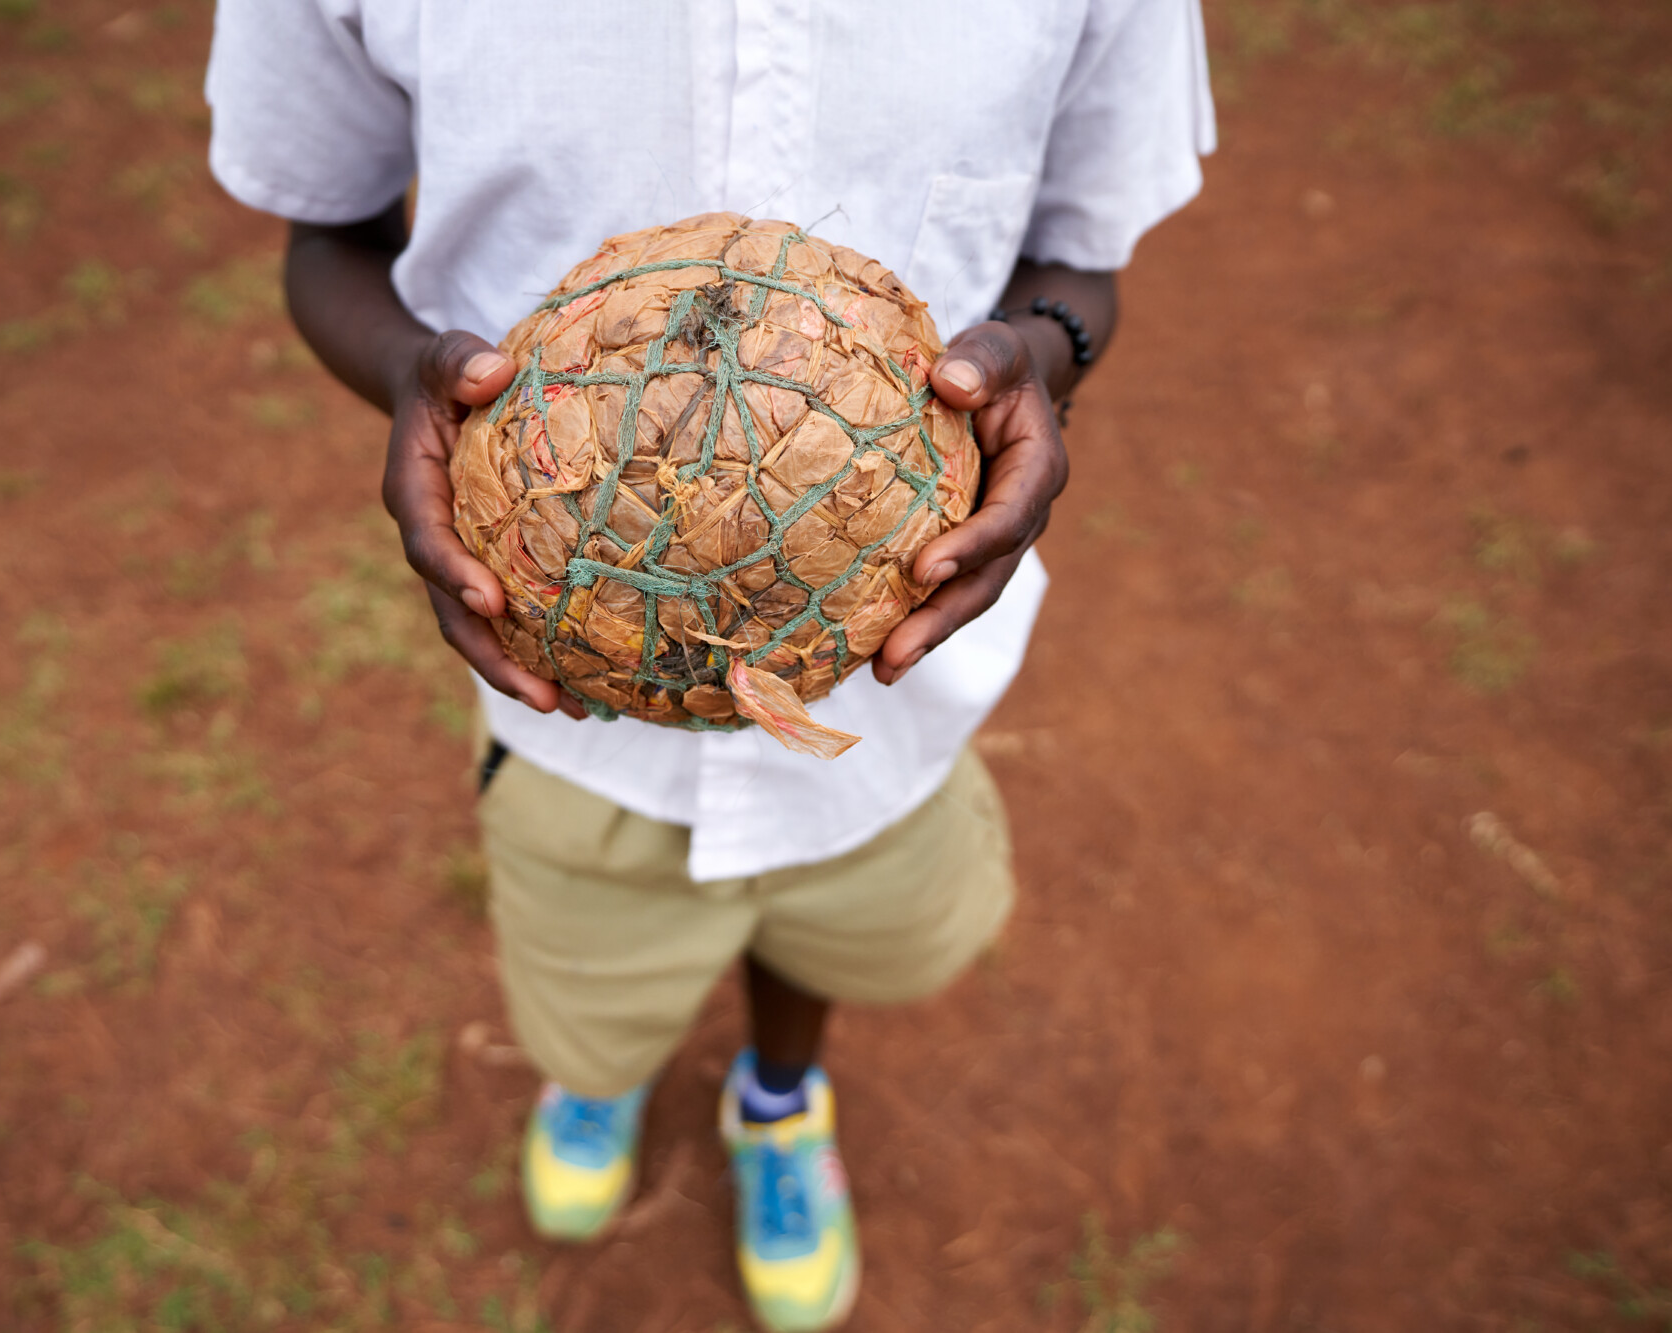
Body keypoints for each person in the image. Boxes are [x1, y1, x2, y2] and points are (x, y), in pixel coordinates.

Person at [205, 4, 1213, 1328]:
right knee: (590, 962)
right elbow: (324, 233)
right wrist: (413, 375)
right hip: (565, 709)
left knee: (832, 904)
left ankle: (779, 1092)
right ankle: (601, 1067)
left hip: (897, 690)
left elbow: (1078, 264)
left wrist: (1040, 355)